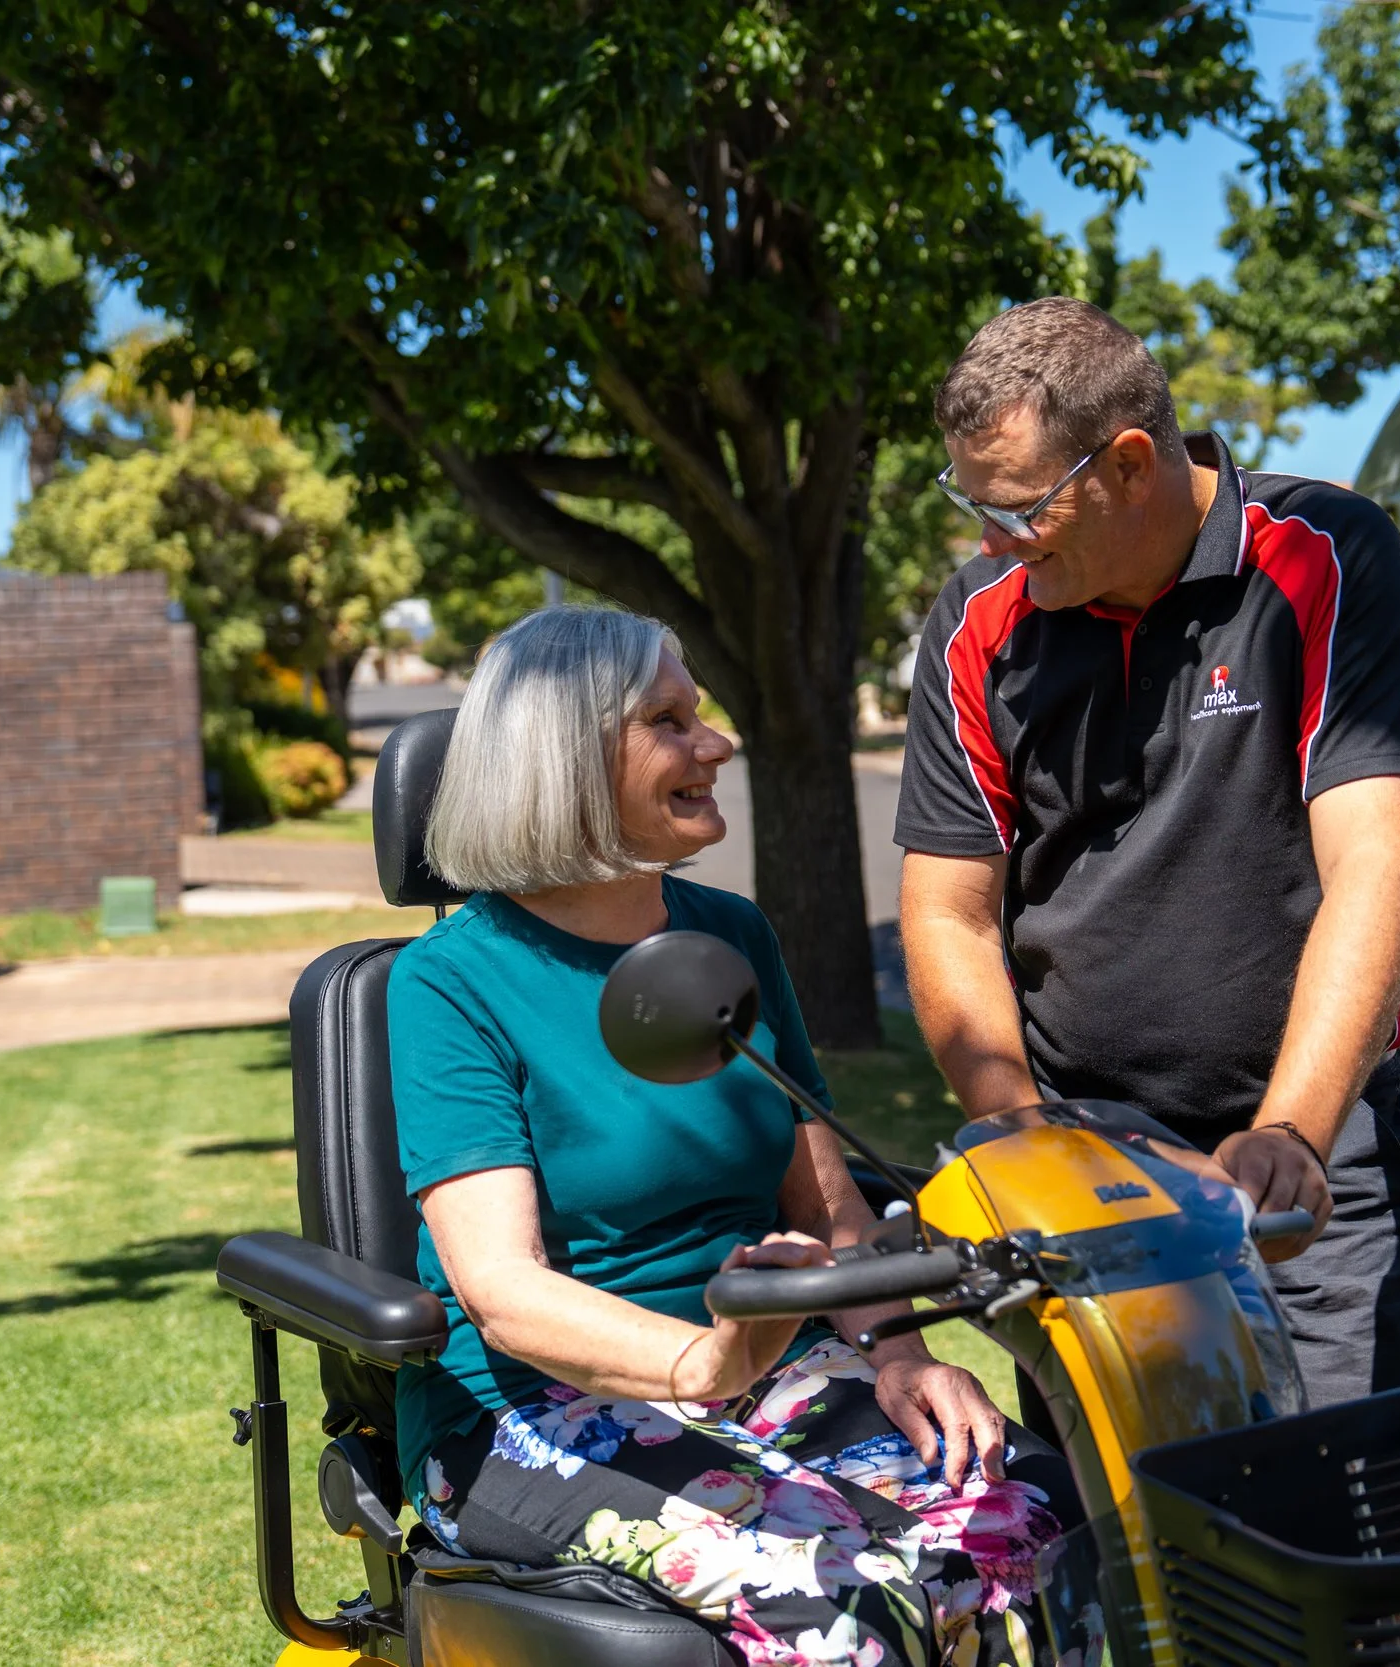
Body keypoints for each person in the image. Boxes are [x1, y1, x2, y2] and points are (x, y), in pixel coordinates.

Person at [387, 606, 1082, 1667]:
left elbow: (827, 1200)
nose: (713, 744)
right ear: (564, 761)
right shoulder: (449, 983)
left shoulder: (729, 937)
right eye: (669, 720)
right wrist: (700, 1360)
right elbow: (501, 1289)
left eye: (701, 715)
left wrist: (899, 1351)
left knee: (1034, 1512)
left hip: (766, 1360)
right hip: (535, 1407)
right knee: (847, 1597)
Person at [896, 298, 1400, 1408]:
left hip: (1312, 1134)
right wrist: (1017, 1132)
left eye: (1018, 507)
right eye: (972, 502)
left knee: (1334, 1516)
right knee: (1116, 1522)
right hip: (1081, 1146)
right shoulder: (977, 619)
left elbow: (1374, 867)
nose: (989, 539)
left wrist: (1291, 1125)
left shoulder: (1323, 556)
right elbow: (949, 910)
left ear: (1130, 462)